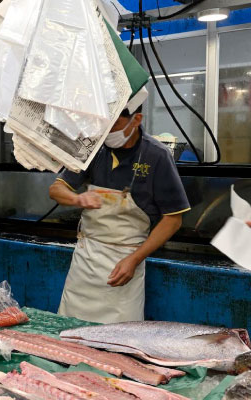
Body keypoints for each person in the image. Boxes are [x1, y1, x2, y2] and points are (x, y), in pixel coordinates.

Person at [48, 105, 190, 324]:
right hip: (86, 262)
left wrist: (134, 259)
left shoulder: (157, 155)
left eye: (114, 124)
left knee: (118, 344)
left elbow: (173, 219)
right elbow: (56, 189)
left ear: (136, 119)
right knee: (71, 333)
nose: (106, 132)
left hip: (125, 262)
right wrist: (77, 199)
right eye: (103, 124)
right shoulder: (95, 148)